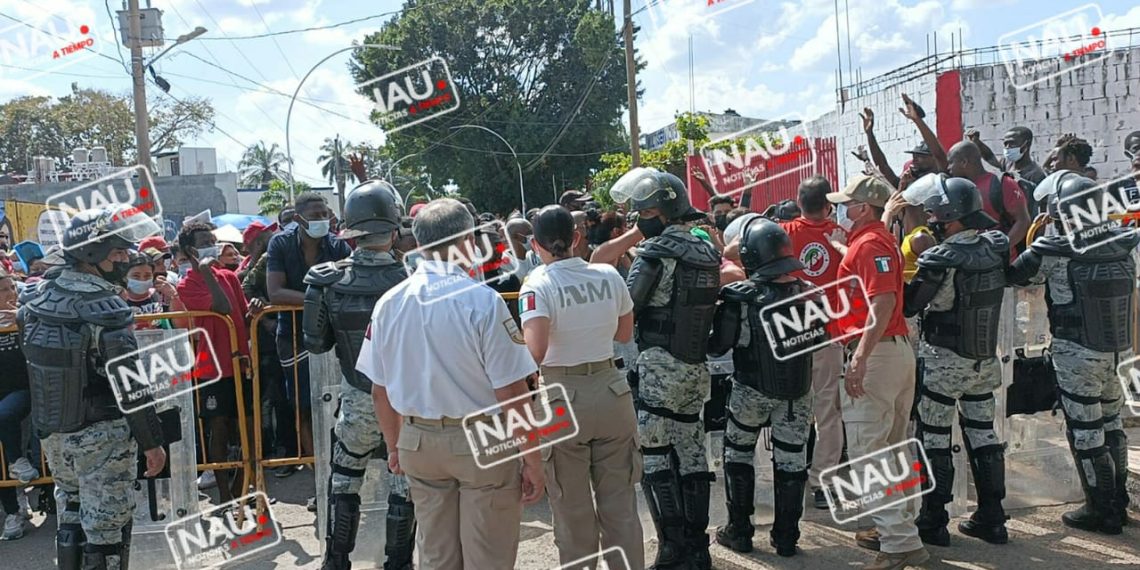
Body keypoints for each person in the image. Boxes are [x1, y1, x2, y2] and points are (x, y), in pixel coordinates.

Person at [361, 198, 543, 569]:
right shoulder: (483, 301)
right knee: (488, 554)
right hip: (483, 438)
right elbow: (512, 392)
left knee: (437, 555)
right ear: (466, 241)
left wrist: (395, 446)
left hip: (418, 441)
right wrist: (533, 460)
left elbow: (379, 390)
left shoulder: (388, 304)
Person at [22, 206, 168, 570]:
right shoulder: (105, 310)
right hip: (102, 440)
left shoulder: (37, 301)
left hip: (55, 437)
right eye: (117, 253)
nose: (125, 259)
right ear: (93, 255)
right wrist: (152, 443)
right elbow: (131, 388)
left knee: (70, 518)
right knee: (106, 534)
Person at [1007, 172, 1135, 535]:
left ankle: (1100, 509)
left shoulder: (1052, 249)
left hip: (1076, 352)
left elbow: (1016, 277)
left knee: (1086, 431)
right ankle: (1118, 503)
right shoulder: (1126, 241)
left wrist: (1040, 235)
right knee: (1113, 426)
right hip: (1119, 353)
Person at [517, 205, 643, 569]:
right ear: (576, 238)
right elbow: (623, 334)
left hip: (560, 398)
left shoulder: (537, 284)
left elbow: (535, 352)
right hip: (611, 391)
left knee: (572, 511)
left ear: (536, 246)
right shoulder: (608, 275)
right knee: (620, 508)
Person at [612, 167, 721, 570]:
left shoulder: (656, 253)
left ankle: (673, 547)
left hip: (658, 367)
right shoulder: (706, 249)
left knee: (656, 457)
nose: (639, 218)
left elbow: (628, 308)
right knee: (693, 456)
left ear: (657, 211)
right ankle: (699, 548)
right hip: (695, 366)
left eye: (642, 211)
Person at [303, 181, 415, 570]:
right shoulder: (414, 280)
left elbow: (315, 344)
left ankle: (337, 561)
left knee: (344, 480)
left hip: (357, 397)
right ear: (394, 227)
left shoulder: (327, 281)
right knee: (404, 484)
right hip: (406, 400)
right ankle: (398, 563)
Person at [826, 176, 929, 569]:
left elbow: (882, 301)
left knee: (870, 453)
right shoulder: (878, 239)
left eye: (848, 204)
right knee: (894, 449)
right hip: (896, 353)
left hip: (877, 354)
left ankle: (898, 543)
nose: (842, 209)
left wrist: (859, 358)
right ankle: (903, 531)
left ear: (863, 209)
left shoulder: (869, 244)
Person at [901, 176, 1010, 546]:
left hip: (943, 363)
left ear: (948, 215)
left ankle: (933, 520)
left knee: (933, 437)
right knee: (984, 435)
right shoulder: (994, 247)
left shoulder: (939, 258)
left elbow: (910, 304)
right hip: (983, 360)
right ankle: (993, 518)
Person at [709, 218, 820, 557]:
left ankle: (740, 530)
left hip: (751, 390)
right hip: (796, 394)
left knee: (738, 453)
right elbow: (820, 338)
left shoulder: (741, 298)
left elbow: (719, 347)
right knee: (791, 461)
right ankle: (787, 536)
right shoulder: (808, 292)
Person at [266, 193, 351, 476]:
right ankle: (319, 477)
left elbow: (347, 287)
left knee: (337, 403)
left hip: (332, 335)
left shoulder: (338, 246)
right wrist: (319, 299)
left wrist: (316, 301)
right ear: (299, 219)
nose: (322, 219)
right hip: (293, 336)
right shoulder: (280, 243)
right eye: (315, 215)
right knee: (304, 406)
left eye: (325, 214)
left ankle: (338, 471)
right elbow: (275, 292)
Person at [780, 176, 848, 509]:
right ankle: (823, 482)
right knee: (828, 412)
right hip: (828, 333)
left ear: (798, 201)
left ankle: (787, 473)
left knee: (790, 407)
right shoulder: (840, 236)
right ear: (828, 204)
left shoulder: (783, 233)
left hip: (791, 331)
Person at [176, 221, 254, 506]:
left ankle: (246, 488)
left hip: (240, 363)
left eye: (213, 239)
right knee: (218, 428)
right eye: (205, 241)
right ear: (190, 250)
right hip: (212, 368)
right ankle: (223, 494)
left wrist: (255, 309)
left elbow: (240, 313)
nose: (212, 245)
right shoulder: (187, 284)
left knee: (246, 425)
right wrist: (206, 271)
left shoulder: (230, 277)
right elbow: (219, 307)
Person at [947, 141, 1030, 257]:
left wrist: (1002, 248)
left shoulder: (1002, 183)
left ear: (964, 162)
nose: (948, 168)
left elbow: (1023, 221)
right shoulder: (958, 189)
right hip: (968, 262)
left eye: (951, 162)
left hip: (999, 264)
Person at [0, 271, 36, 541]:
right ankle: (13, 511)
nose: (11, 293)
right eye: (3, 290)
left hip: (25, 390)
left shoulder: (29, 312)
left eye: (12, 286)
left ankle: (17, 461)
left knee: (5, 414)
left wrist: (23, 319)